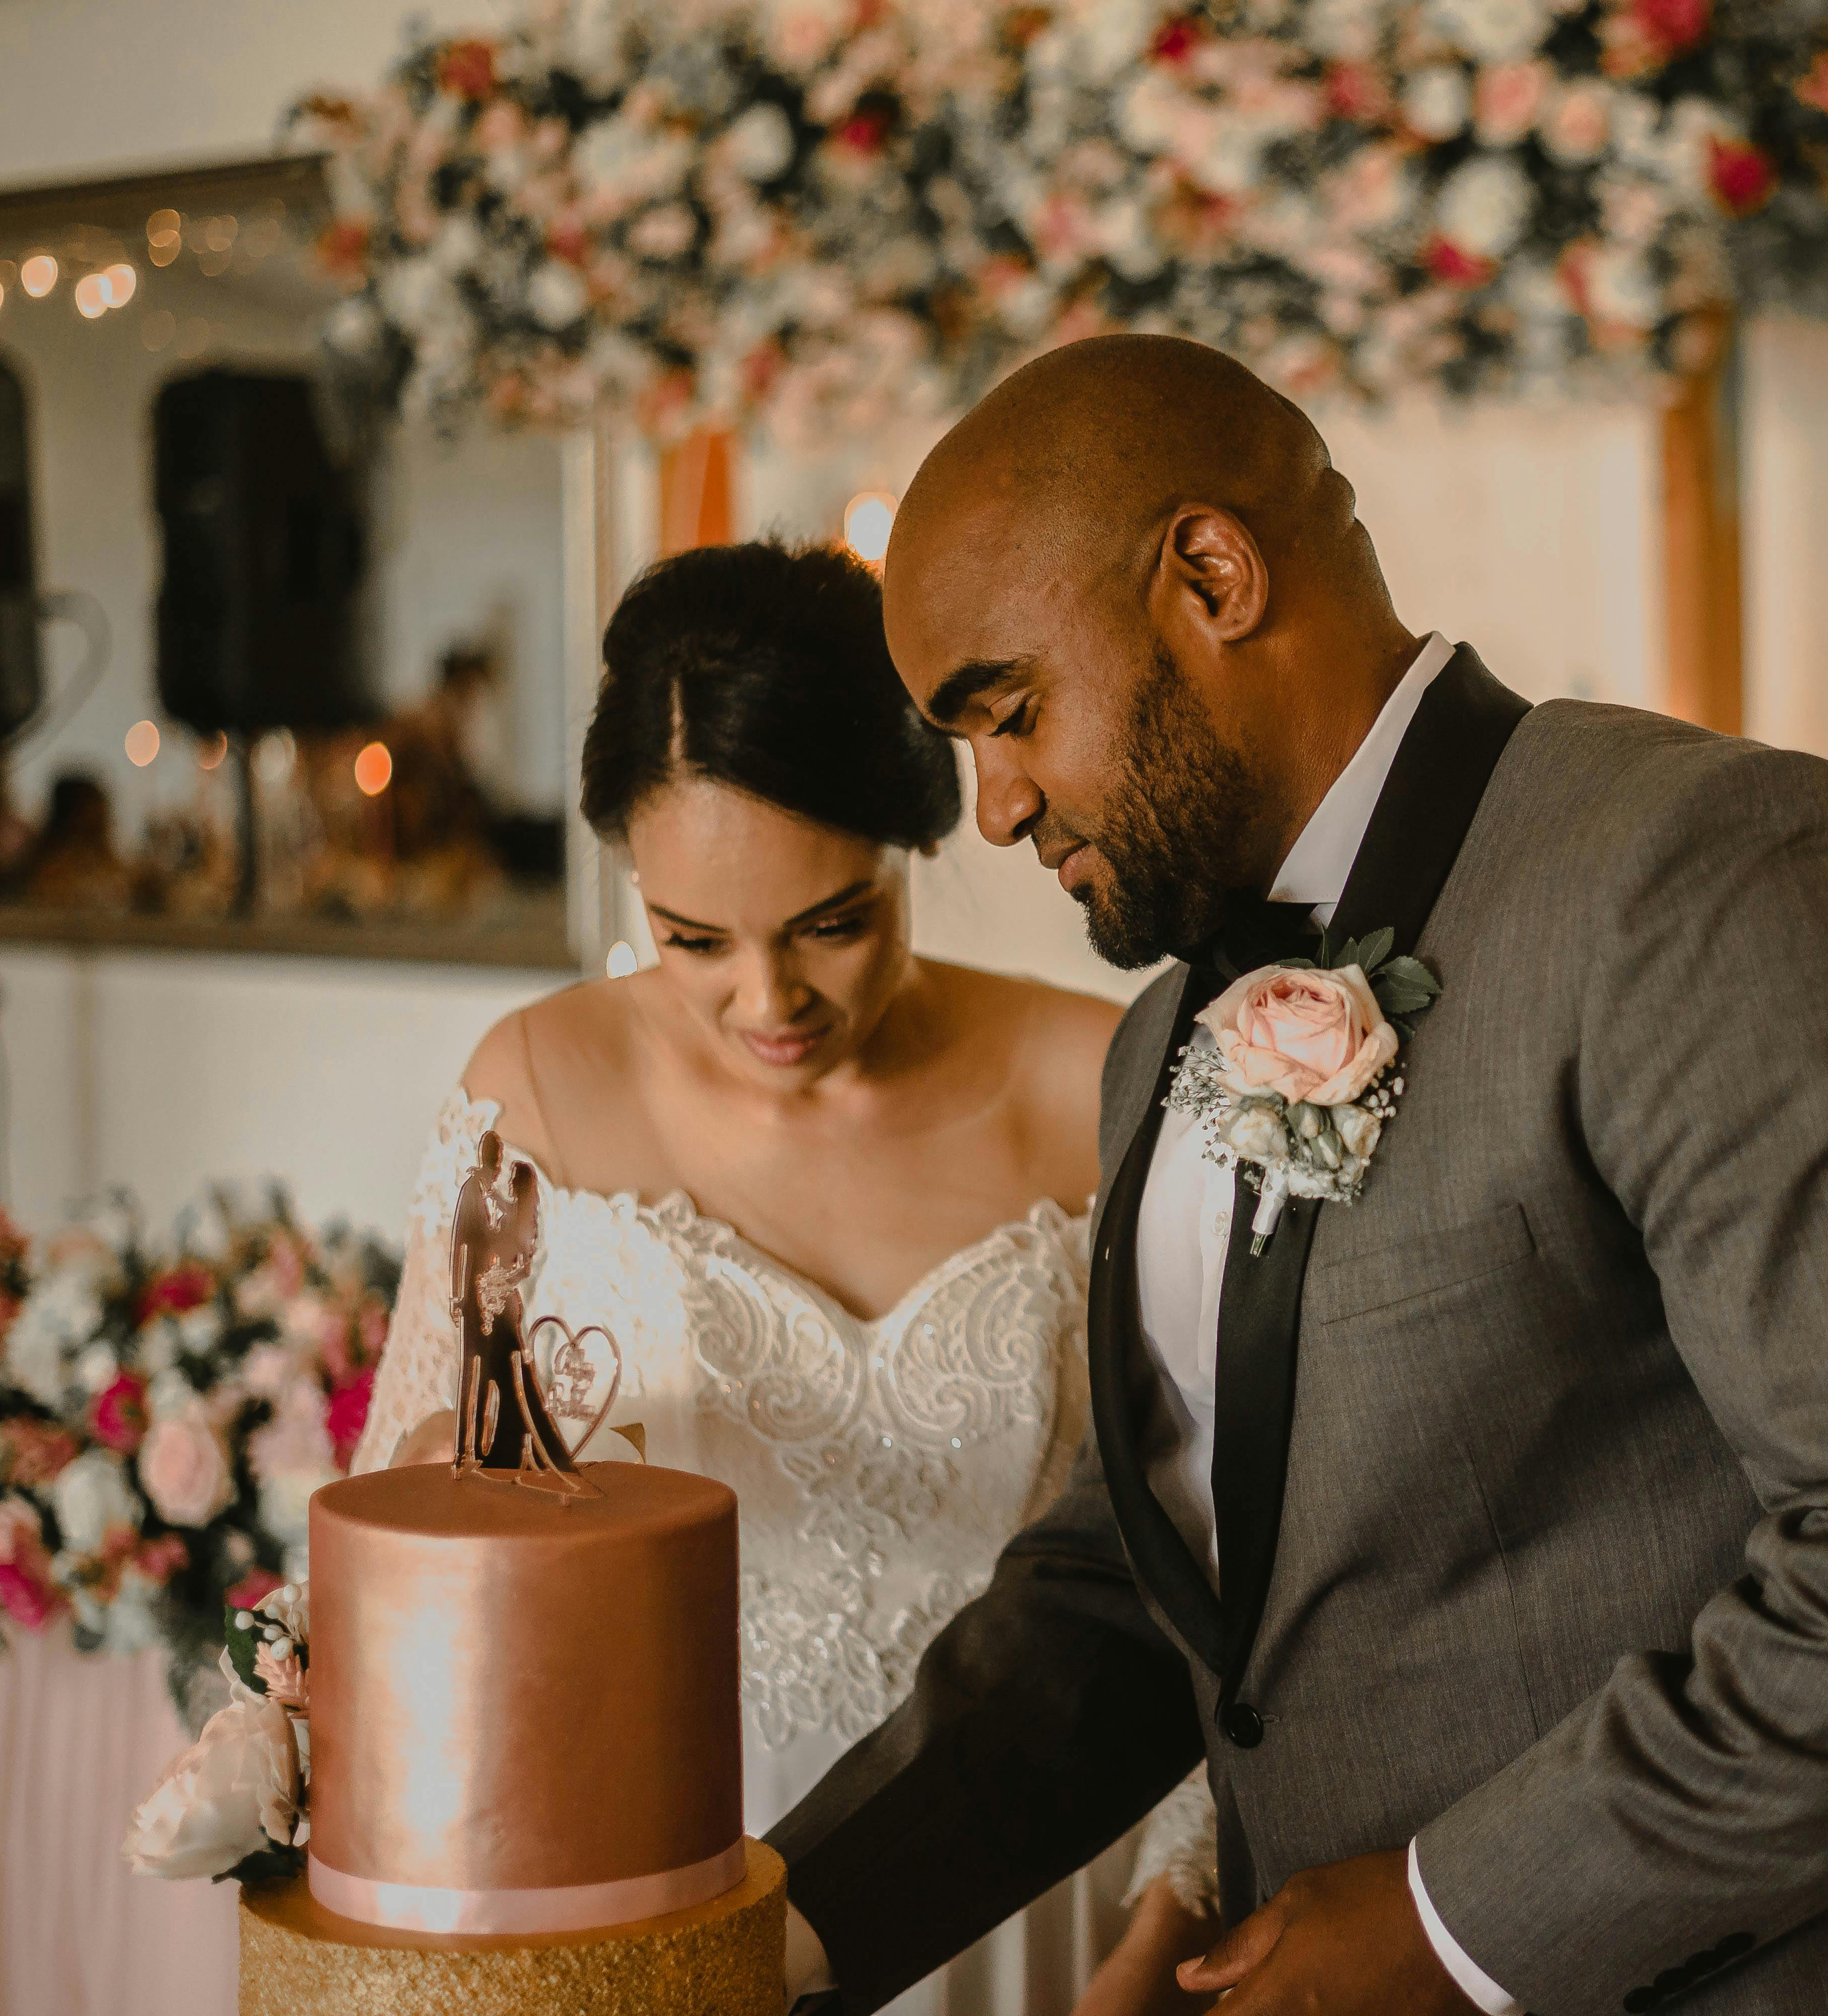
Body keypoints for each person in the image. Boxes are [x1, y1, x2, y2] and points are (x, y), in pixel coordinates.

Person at [768, 334, 1828, 2016]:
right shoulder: (1162, 1045)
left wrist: (1458, 1921)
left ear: (1210, 575)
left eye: (1009, 711)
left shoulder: (1719, 874)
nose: (993, 806)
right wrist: (766, 1946)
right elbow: (1153, 1595)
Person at [352, 540, 1221, 2016]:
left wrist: (1174, 1908)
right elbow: (414, 1543)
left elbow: (1212, 1558)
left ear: (914, 842)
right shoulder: (537, 1094)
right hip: (662, 1887)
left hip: (1031, 1893)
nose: (770, 1002)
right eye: (694, 940)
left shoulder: (1105, 1080)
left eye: (834, 923)